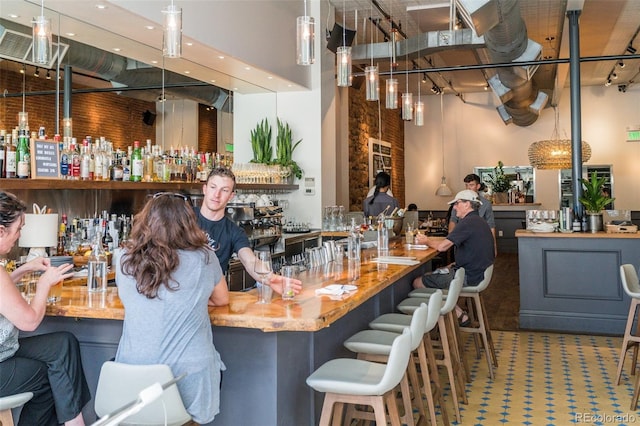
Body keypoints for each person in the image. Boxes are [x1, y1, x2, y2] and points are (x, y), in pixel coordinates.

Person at [115, 192, 230, 424]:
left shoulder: (123, 258)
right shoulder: (204, 258)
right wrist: (193, 296)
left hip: (130, 378)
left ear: (145, 222)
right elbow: (221, 299)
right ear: (188, 222)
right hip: (188, 379)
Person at [0, 191, 90, 426]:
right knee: (52, 376)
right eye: (19, 229)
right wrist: (43, 284)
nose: (19, 236)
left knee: (63, 344)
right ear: (1, 231)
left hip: (4, 353)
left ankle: (74, 422)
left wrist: (22, 270)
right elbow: (28, 322)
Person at [197, 167, 302, 295]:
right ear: (204, 189)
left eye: (224, 190)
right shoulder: (183, 218)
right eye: (213, 187)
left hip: (211, 297)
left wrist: (270, 278)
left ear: (231, 196)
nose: (217, 194)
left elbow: (250, 261)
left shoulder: (234, 231)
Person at [412, 190, 495, 324]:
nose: (454, 207)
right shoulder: (479, 221)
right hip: (477, 273)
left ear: (467, 204)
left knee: (418, 282)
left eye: (457, 203)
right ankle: (453, 313)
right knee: (431, 275)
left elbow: (442, 247)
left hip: (468, 276)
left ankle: (458, 314)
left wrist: (426, 241)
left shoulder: (466, 223)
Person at [449, 173, 496, 255]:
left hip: (480, 242)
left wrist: (494, 246)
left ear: (478, 186)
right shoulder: (458, 202)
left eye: (471, 185)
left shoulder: (486, 204)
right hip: (462, 242)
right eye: (466, 185)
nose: (468, 188)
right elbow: (453, 220)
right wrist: (451, 237)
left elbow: (491, 226)